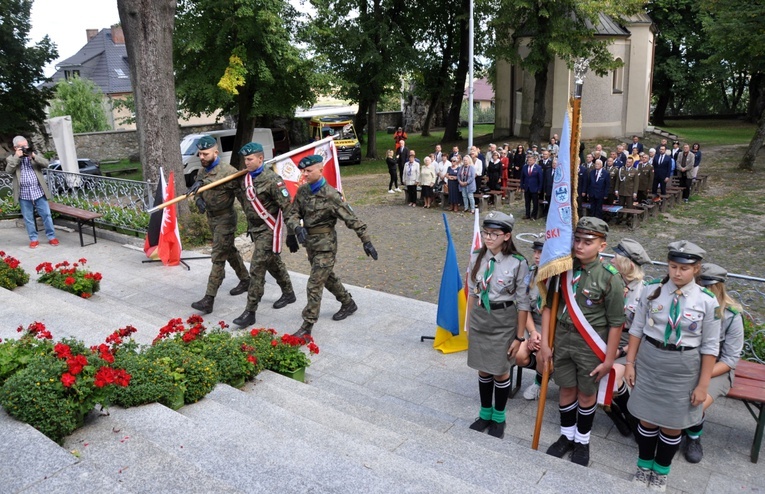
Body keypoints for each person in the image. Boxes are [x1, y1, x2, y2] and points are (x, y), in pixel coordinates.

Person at [624, 241, 721, 491]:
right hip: (651, 358)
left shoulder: (707, 301)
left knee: (672, 422)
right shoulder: (652, 291)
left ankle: (661, 472)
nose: (677, 273)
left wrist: (703, 385)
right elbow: (636, 329)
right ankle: (643, 465)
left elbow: (710, 347)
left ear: (696, 269)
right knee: (646, 419)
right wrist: (630, 363)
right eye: (673, 266)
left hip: (684, 365)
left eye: (684, 268)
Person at [539, 217, 625, 467]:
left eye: (588, 242)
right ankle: (566, 436)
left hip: (590, 342)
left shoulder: (610, 278)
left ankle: (582, 441)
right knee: (566, 388)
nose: (580, 246)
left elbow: (616, 323)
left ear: (602, 246)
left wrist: (609, 360)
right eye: (577, 240)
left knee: (587, 394)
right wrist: (545, 344)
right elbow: (548, 307)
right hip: (562, 339)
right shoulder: (561, 270)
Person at [286, 155, 378, 339]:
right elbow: (293, 213)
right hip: (310, 244)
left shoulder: (331, 195)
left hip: (326, 245)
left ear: (320, 170)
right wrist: (294, 230)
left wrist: (366, 241)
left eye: (309, 170)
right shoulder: (303, 191)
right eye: (303, 171)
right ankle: (348, 302)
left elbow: (352, 219)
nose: (304, 174)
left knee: (314, 283)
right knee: (326, 277)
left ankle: (307, 326)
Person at [466, 212, 530, 439]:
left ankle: (499, 418)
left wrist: (519, 337)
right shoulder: (477, 256)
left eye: (495, 234)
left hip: (504, 320)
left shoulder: (518, 262)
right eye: (486, 232)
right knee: (483, 367)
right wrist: (468, 324)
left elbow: (523, 303)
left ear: (507, 236)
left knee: (501, 371)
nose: (488, 237)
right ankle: (484, 413)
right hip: (481, 318)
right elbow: (472, 292)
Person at [231, 142, 297, 327]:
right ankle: (289, 292)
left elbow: (288, 208)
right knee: (272, 262)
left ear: (261, 158)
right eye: (245, 159)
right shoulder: (246, 178)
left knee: (257, 266)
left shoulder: (272, 180)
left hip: (269, 228)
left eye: (250, 159)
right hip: (255, 229)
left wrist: (291, 233)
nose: (247, 162)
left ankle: (250, 312)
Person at [683, 263, 744, 463]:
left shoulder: (731, 316)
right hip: (687, 364)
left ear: (717, 288)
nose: (702, 292)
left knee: (695, 404)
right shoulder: (686, 305)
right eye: (699, 285)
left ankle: (693, 437)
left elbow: (730, 359)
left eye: (707, 288)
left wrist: (702, 375)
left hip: (717, 370)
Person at [187, 135, 250, 315]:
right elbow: (199, 191)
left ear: (216, 152)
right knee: (228, 249)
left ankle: (209, 299)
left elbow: (242, 197)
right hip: (211, 218)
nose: (202, 158)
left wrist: (252, 220)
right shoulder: (201, 172)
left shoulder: (229, 172)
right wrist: (198, 200)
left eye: (205, 154)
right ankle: (246, 280)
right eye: (200, 154)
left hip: (226, 218)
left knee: (218, 256)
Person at [604, 238, 652, 436]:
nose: (612, 260)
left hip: (628, 343)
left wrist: (622, 350)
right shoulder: (608, 281)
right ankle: (613, 412)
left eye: (616, 257)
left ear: (627, 264)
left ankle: (628, 415)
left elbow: (645, 333)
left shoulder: (646, 292)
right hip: (603, 338)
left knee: (612, 380)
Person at [5, 136, 58, 248]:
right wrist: (17, 157)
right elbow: (8, 171)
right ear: (16, 148)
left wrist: (33, 156)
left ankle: (51, 237)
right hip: (23, 194)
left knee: (46, 215)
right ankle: (33, 239)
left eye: (26, 146)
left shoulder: (33, 155)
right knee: (28, 218)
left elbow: (46, 163)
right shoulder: (11, 158)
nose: (25, 148)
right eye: (22, 147)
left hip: (38, 191)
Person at [520, 238, 546, 400]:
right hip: (531, 323)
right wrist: (532, 332)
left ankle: (539, 381)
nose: (536, 256)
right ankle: (543, 370)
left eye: (541, 252)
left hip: (551, 326)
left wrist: (543, 337)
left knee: (543, 355)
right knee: (518, 354)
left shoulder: (560, 277)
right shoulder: (530, 273)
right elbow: (523, 306)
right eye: (535, 251)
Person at [520, 154, 543, 220]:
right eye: (528, 160)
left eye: (530, 160)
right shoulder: (525, 167)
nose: (529, 161)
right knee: (527, 202)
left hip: (534, 188)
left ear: (534, 161)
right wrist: (522, 186)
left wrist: (539, 188)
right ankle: (527, 214)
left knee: (535, 203)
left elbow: (540, 179)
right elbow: (522, 178)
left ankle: (533, 215)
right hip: (527, 188)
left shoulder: (538, 168)